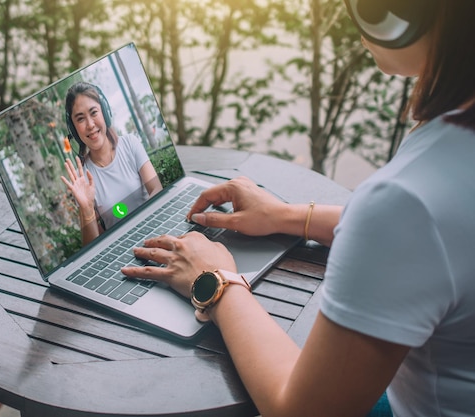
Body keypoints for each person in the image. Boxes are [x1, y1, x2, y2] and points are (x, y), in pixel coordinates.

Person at [121, 1, 475, 416]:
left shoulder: (405, 202)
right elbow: (442, 236)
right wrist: (289, 217)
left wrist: (215, 282)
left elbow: (301, 410)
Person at [61, 82, 162, 245]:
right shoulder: (83, 179)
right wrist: (86, 210)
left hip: (156, 231)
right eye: (80, 119)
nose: (90, 125)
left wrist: (142, 230)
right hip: (123, 252)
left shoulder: (130, 143)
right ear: (74, 129)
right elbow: (92, 245)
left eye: (94, 112)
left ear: (105, 113)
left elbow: (156, 188)